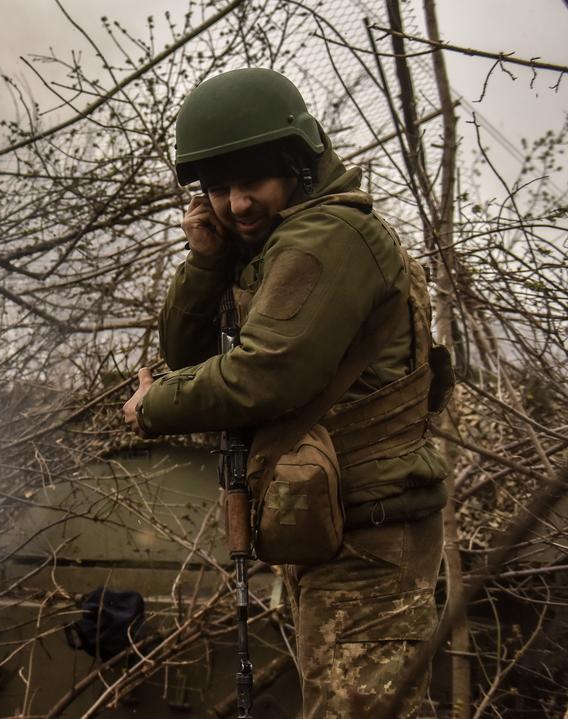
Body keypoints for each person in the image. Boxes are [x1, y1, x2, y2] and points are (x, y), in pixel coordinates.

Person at [122, 68, 449, 718]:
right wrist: (207, 262)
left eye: (253, 181)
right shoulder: (276, 247)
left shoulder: (327, 238)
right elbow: (191, 358)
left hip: (373, 537)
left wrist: (155, 405)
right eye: (219, 188)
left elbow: (263, 375)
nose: (237, 204)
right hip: (339, 530)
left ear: (298, 164)